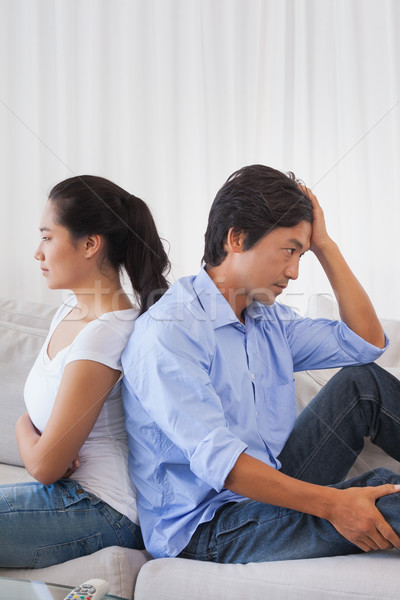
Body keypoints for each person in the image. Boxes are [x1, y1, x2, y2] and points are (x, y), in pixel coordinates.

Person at [122, 164, 400, 563]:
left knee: (362, 384)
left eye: (302, 255)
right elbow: (226, 467)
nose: (295, 272)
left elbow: (365, 344)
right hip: (209, 526)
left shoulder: (267, 320)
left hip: (271, 489)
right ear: (236, 238)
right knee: (383, 492)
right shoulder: (171, 329)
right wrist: (336, 504)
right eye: (289, 251)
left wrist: (325, 245)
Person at [0, 175, 169, 568]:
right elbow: (47, 459)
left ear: (91, 244)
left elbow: (45, 467)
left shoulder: (106, 334)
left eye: (47, 237)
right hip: (69, 496)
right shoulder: (71, 311)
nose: (37, 253)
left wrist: (23, 429)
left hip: (100, 509)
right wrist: (42, 443)